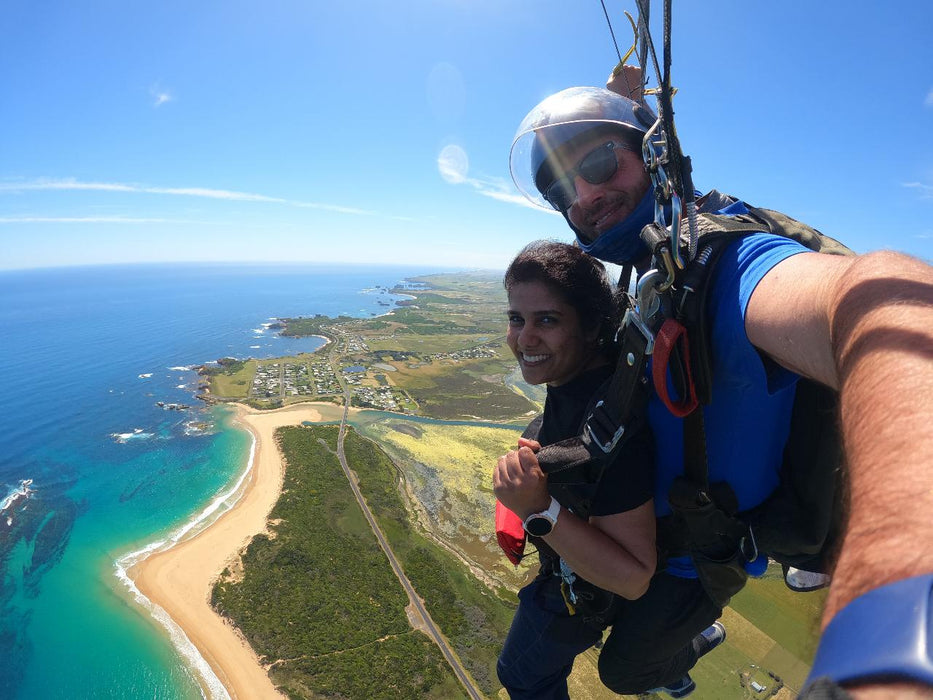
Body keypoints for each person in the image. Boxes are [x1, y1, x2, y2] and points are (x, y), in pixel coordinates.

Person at [507, 85, 933, 699]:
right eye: (560, 193)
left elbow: (881, 304)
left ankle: (692, 645)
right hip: (644, 532)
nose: (585, 198)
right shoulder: (656, 265)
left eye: (599, 164)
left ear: (656, 156)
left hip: (697, 560)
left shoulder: (728, 263)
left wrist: (890, 620)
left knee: (624, 672)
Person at [494, 241, 726, 699]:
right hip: (581, 559)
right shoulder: (582, 382)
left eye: (548, 320)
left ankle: (681, 653)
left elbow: (634, 577)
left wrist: (537, 508)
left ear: (591, 326)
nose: (524, 338)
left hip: (597, 585)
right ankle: (673, 661)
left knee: (521, 675)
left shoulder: (613, 427)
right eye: (517, 318)